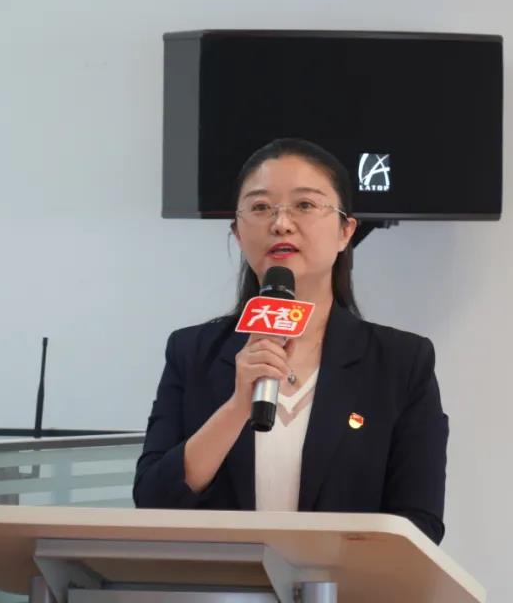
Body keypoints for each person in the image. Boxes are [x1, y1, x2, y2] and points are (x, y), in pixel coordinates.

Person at [133, 138, 449, 543]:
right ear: (237, 232)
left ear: (345, 231)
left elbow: (419, 525)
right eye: (260, 207)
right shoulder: (191, 352)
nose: (281, 223)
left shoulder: (402, 362)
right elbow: (153, 500)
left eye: (304, 205)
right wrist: (237, 407)